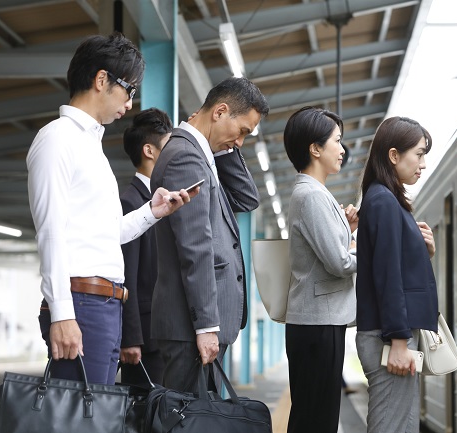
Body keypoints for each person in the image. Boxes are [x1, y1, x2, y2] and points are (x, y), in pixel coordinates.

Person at [27, 32, 196, 386]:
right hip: (82, 302)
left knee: (94, 419)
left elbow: (106, 233)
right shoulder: (57, 139)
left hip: (102, 304)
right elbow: (51, 230)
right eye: (129, 90)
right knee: (79, 419)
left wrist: (154, 211)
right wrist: (61, 313)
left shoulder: (90, 146)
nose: (130, 103)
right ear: (101, 79)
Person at [150, 76, 269, 393]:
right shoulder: (186, 157)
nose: (241, 141)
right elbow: (195, 246)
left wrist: (223, 147)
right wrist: (206, 326)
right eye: (242, 131)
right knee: (187, 422)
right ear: (220, 112)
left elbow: (246, 198)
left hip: (196, 327)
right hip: (191, 327)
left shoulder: (200, 154)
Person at [355, 116, 438, 433]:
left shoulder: (383, 200)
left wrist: (422, 251)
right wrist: (399, 341)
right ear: (393, 155)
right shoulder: (384, 202)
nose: (423, 164)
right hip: (388, 338)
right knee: (392, 426)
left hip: (387, 335)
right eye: (418, 154)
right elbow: (387, 277)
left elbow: (395, 266)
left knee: (401, 425)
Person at [283, 106, 358, 433]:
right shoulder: (311, 195)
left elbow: (329, 254)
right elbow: (340, 263)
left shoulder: (313, 193)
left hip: (318, 322)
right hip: (318, 323)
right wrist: (372, 249)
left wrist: (348, 231)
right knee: (316, 421)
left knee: (314, 417)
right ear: (315, 148)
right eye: (337, 141)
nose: (342, 149)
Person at [119, 108, 173, 385]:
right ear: (149, 151)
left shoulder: (158, 198)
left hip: (162, 333)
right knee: (143, 421)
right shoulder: (131, 202)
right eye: (168, 147)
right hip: (144, 341)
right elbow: (125, 275)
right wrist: (130, 338)